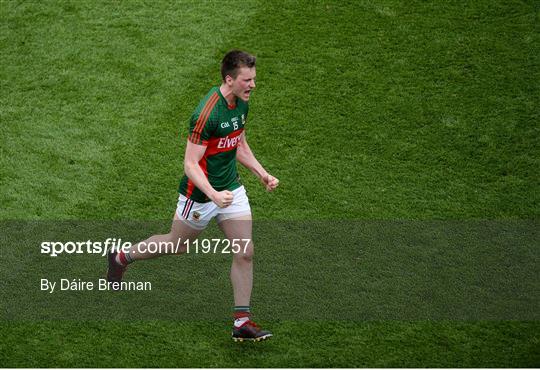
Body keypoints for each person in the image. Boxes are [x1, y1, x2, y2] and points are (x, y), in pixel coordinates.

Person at [106, 50, 278, 342]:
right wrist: (211, 194)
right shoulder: (207, 113)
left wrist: (261, 173)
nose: (253, 85)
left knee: (245, 252)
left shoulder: (241, 104)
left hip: (231, 189)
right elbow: (189, 163)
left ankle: (241, 322)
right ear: (229, 79)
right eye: (247, 80)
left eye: (254, 79)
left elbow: (238, 144)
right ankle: (121, 257)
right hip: (200, 196)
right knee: (177, 245)